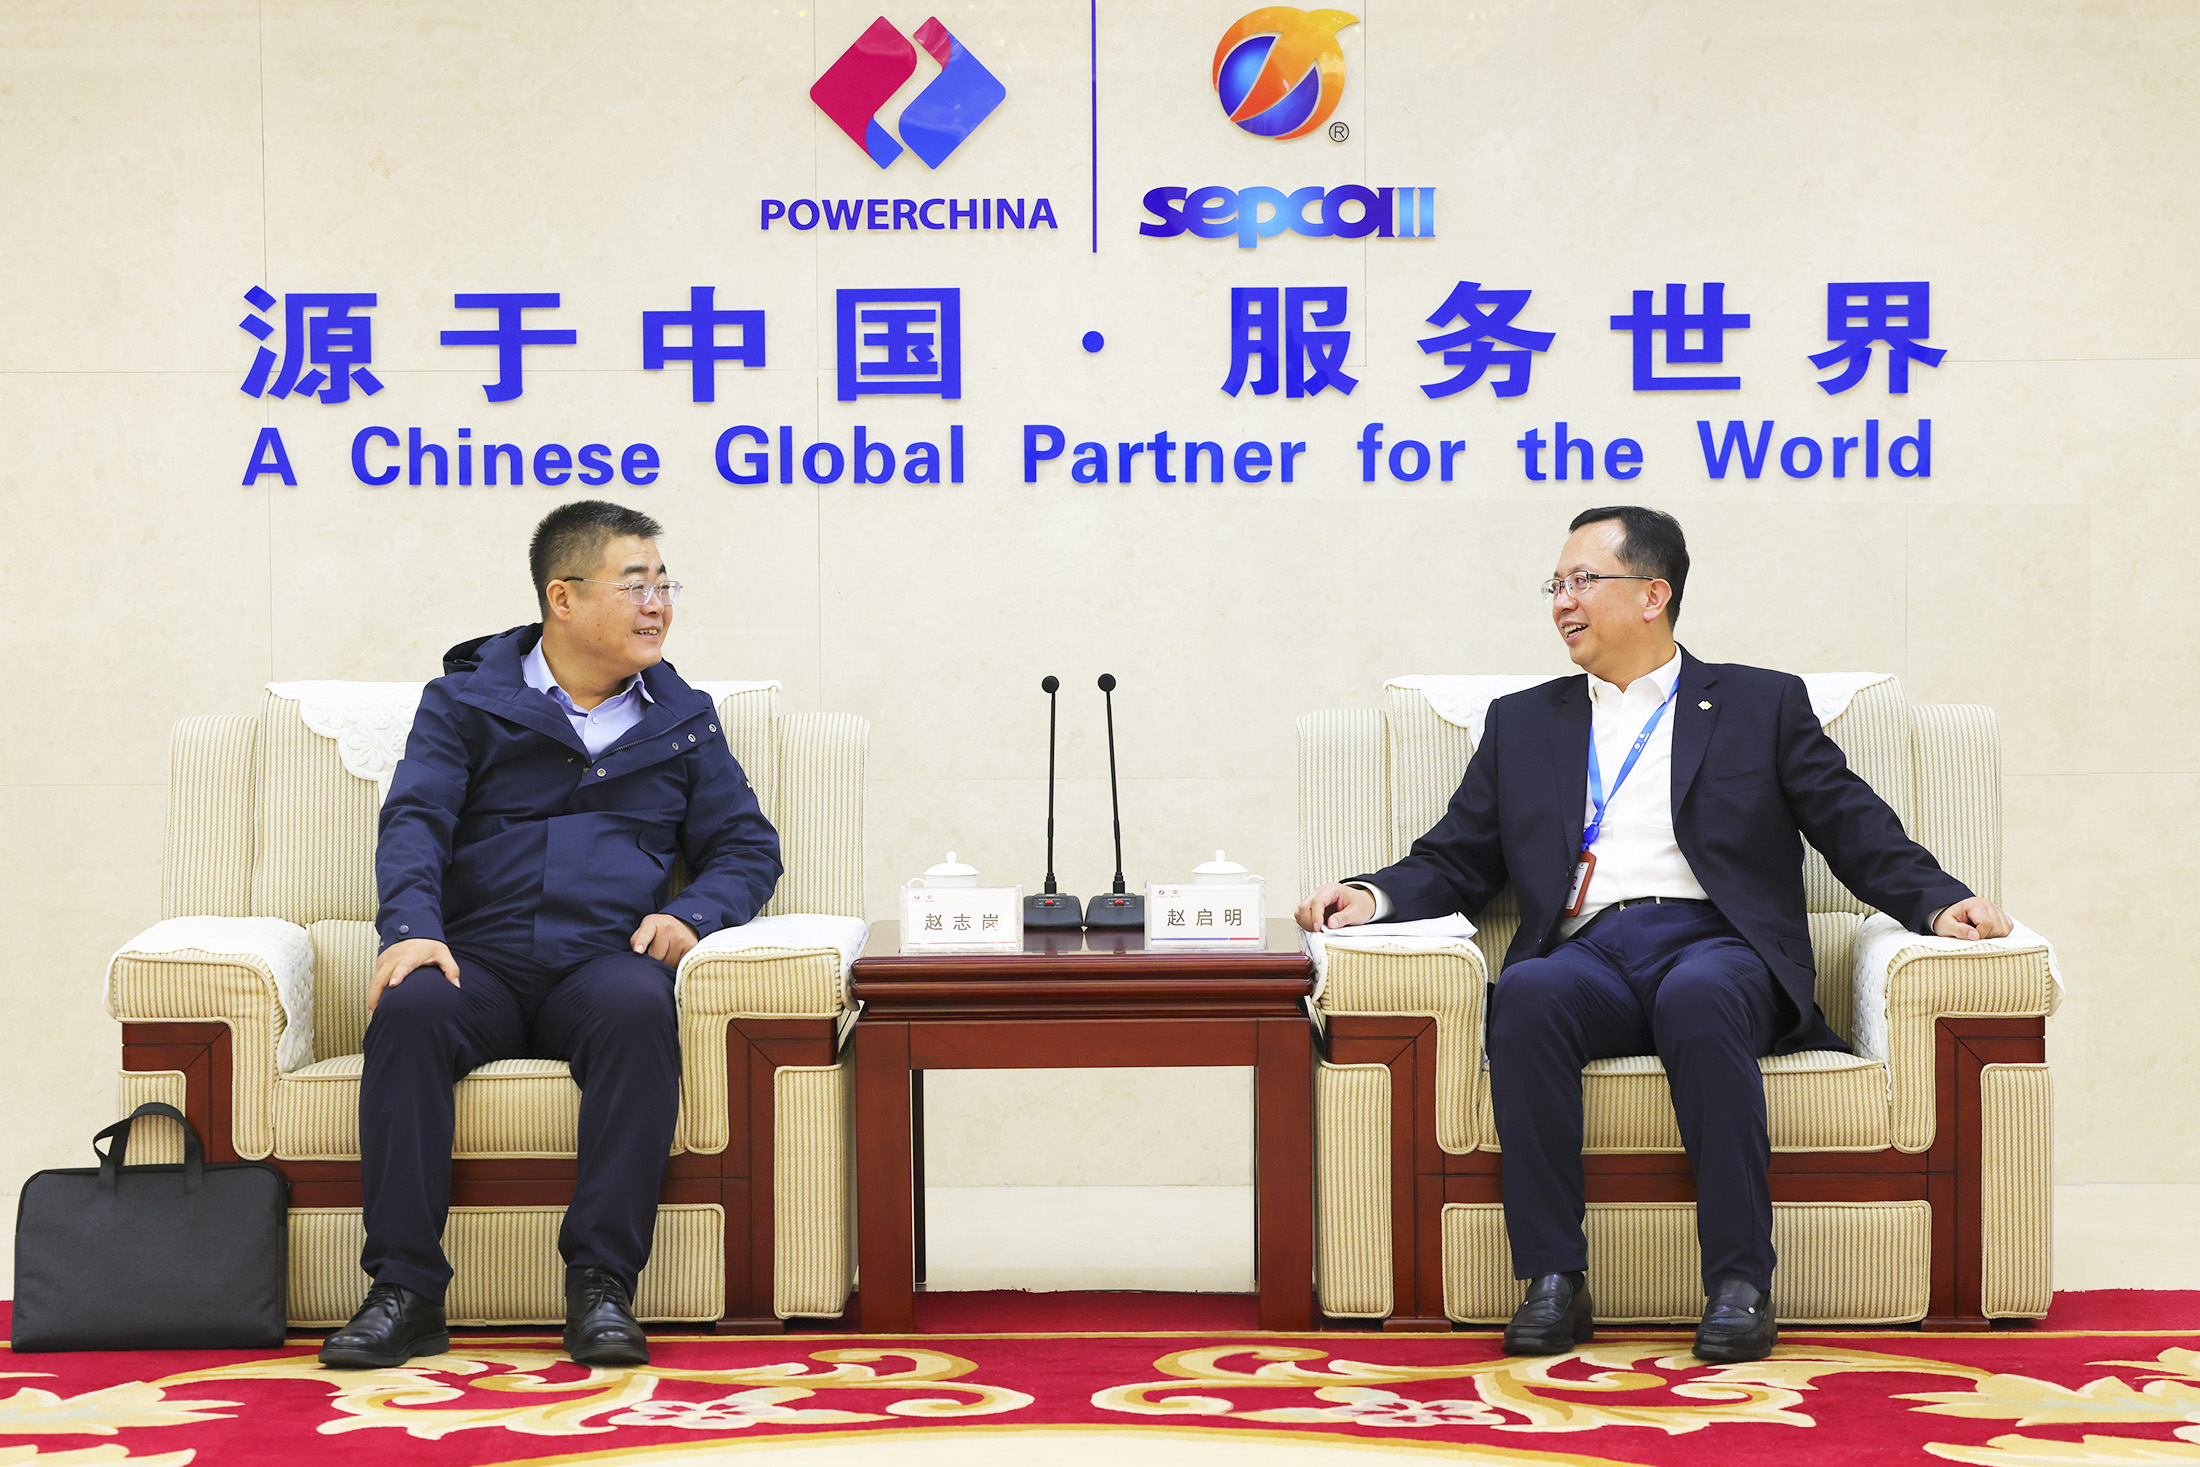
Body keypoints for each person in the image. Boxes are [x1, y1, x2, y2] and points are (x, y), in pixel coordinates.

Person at [1295, 506, 2010, 1364]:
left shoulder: (1760, 704)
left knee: (1700, 996)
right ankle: (1553, 1279)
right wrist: (1371, 894)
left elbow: (1853, 826)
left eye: (1581, 581)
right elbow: (1456, 856)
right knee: (1525, 991)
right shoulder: (1524, 723)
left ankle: (1740, 1282)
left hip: (1719, 947)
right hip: (1589, 952)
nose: (1562, 601)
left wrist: (1939, 903)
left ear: (1652, 595)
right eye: (1555, 585)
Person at [318, 501, 782, 1369]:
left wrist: (690, 915)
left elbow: (748, 847)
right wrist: (411, 928)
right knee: (410, 1007)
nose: (658, 605)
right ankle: (403, 1291)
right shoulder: (464, 702)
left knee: (639, 1010)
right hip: (481, 959)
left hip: (605, 960)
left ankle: (602, 1286)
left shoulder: (681, 717)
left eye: (665, 585)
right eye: (635, 585)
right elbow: (416, 819)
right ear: (562, 598)